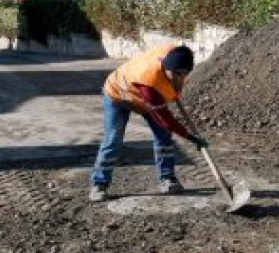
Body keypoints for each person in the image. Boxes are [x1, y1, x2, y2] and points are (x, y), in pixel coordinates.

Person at [89, 43, 208, 202]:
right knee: (113, 139)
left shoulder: (175, 53)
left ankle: (167, 179)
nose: (180, 77)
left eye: (184, 74)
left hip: (143, 98)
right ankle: (99, 184)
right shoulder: (149, 80)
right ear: (166, 68)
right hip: (117, 94)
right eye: (177, 74)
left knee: (163, 136)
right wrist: (190, 137)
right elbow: (166, 120)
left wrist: (175, 86)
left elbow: (175, 78)